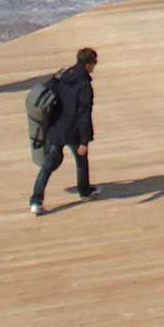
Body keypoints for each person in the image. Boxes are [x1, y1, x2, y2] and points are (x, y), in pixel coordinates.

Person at [28, 48, 97, 216]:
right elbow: (84, 114)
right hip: (73, 131)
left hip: (56, 128)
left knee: (47, 167)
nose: (95, 66)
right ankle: (84, 192)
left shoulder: (63, 76)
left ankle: (36, 201)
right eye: (94, 63)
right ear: (88, 65)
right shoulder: (84, 85)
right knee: (81, 161)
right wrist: (84, 141)